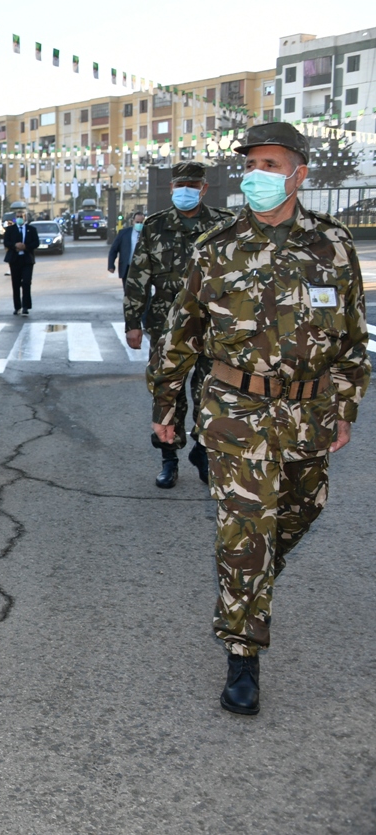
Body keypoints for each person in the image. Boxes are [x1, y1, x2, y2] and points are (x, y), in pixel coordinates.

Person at [147, 122, 370, 716]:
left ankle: (250, 582)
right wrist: (166, 405)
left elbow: (351, 338)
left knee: (300, 511)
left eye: (272, 164)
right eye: (252, 163)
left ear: (299, 172)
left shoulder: (334, 244)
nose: (258, 175)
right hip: (236, 413)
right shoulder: (215, 247)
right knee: (245, 534)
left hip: (309, 412)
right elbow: (181, 335)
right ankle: (243, 653)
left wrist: (344, 407)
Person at [126, 161, 234, 488]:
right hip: (167, 321)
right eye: (180, 185)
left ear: (204, 188)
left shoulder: (224, 224)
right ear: (171, 188)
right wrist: (133, 321)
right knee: (168, 390)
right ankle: (169, 458)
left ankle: (202, 451)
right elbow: (137, 276)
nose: (186, 190)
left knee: (210, 390)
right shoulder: (155, 226)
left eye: (193, 185)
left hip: (213, 321)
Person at [1, 202, 38, 316]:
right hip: (15, 260)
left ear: (25, 217)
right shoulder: (10, 230)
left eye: (21, 216)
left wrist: (26, 247)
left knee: (26, 283)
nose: (19, 218)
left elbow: (36, 242)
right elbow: (6, 242)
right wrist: (15, 246)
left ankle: (26, 306)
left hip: (27, 260)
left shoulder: (31, 229)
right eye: (17, 217)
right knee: (15, 284)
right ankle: (17, 307)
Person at [107, 211, 144, 284]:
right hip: (127, 267)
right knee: (128, 291)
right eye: (137, 222)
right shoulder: (123, 233)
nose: (139, 224)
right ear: (133, 221)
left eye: (141, 222)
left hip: (143, 268)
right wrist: (111, 265)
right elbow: (114, 250)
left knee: (145, 293)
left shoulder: (149, 233)